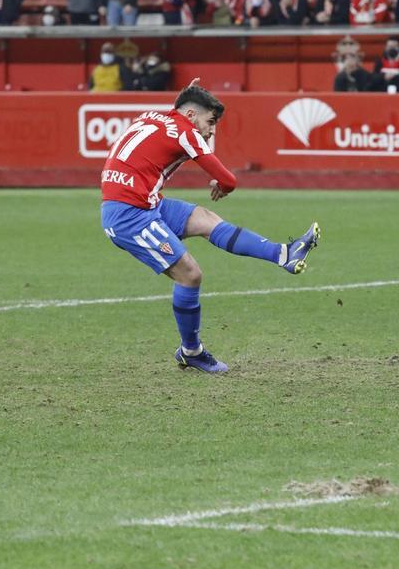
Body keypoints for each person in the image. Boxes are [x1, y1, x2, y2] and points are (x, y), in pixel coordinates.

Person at [100, 81, 320, 373]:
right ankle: (191, 351)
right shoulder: (186, 132)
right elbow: (229, 180)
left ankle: (284, 254)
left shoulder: (151, 117)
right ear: (191, 115)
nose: (212, 130)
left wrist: (188, 95)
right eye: (211, 121)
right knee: (190, 275)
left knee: (205, 219)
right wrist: (222, 184)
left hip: (143, 202)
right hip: (129, 215)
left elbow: (176, 113)